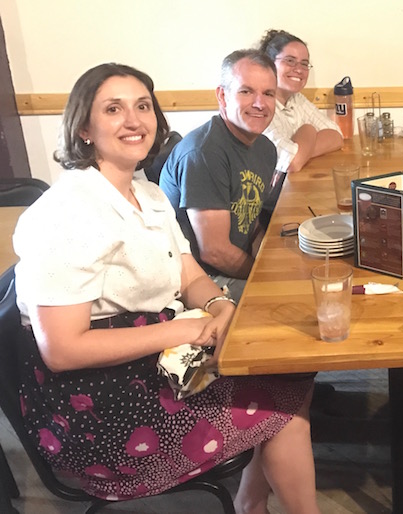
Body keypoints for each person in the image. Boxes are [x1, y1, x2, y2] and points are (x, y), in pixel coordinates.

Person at [13, 63, 321, 513]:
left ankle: (251, 503)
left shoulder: (147, 193)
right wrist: (184, 332)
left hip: (153, 361)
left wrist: (218, 306)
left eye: (142, 106)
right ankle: (261, 504)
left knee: (290, 371)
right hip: (98, 408)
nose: (134, 120)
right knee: (287, 413)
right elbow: (62, 350)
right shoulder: (64, 213)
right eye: (113, 109)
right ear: (83, 127)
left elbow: (190, 274)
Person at [160, 49, 278, 303]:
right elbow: (214, 252)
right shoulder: (204, 153)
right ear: (222, 96)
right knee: (286, 301)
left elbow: (251, 220)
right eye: (246, 91)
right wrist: (265, 276)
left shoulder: (265, 149)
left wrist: (270, 259)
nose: (260, 103)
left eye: (268, 93)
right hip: (197, 281)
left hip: (232, 268)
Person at [258, 29, 343, 173]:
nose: (299, 69)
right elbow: (292, 163)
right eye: (290, 61)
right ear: (269, 64)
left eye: (304, 64)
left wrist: (301, 152)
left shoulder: (296, 99)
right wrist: (308, 129)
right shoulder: (260, 107)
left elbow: (336, 135)